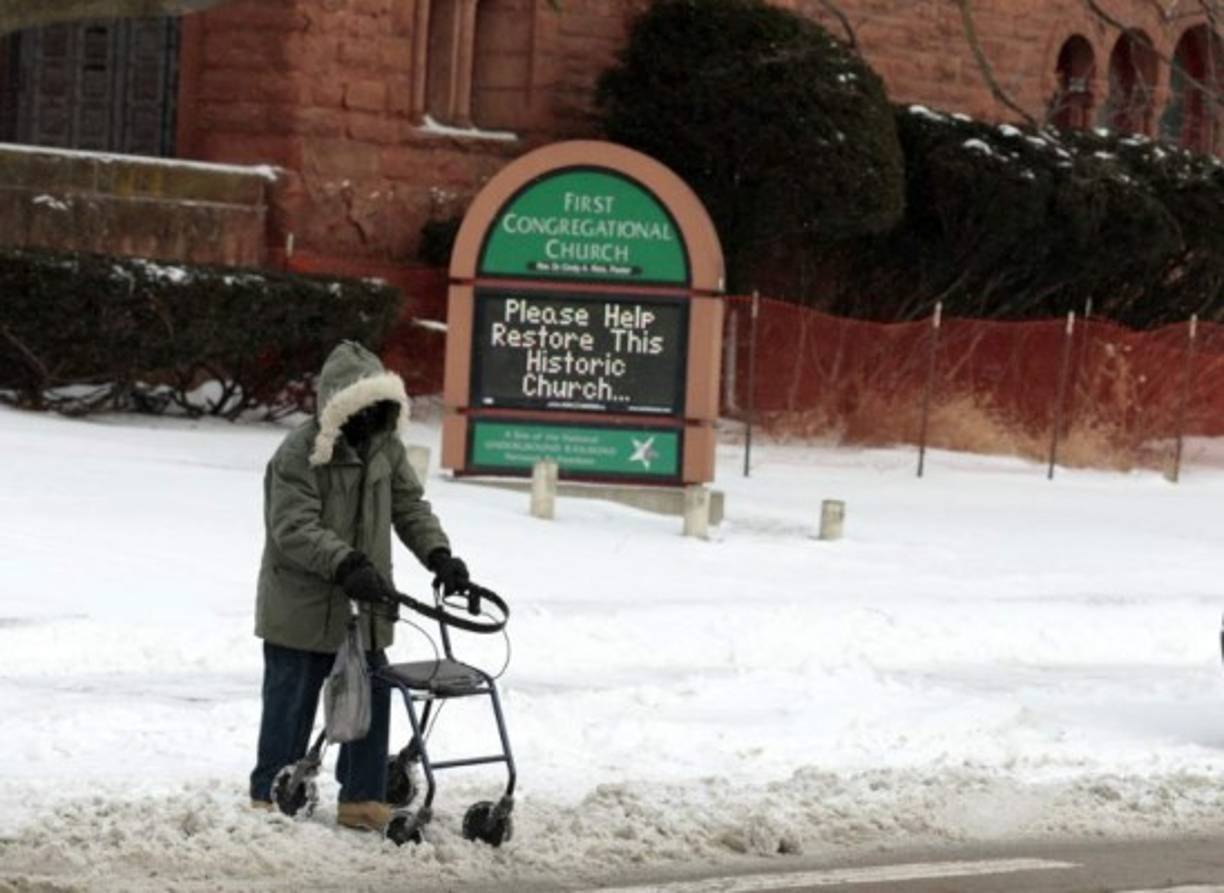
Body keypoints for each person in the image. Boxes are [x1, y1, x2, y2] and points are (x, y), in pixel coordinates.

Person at [248, 340, 472, 833]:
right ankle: (270, 793)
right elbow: (294, 528)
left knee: (373, 691)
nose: (373, 417)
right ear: (341, 406)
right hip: (301, 605)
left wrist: (440, 556)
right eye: (363, 407)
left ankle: (362, 797)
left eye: (381, 406)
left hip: (366, 602)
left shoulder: (386, 449)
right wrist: (345, 562)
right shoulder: (300, 453)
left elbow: (410, 507)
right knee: (292, 699)